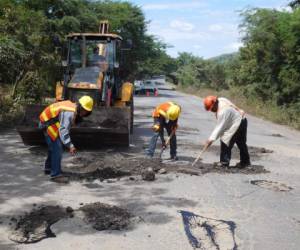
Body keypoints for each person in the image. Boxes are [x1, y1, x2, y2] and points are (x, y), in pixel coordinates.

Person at [39, 96, 94, 183]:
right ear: (79, 106)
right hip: (47, 124)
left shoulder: (73, 107)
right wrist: (70, 145)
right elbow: (63, 130)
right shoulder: (69, 112)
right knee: (57, 148)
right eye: (83, 110)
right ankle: (55, 175)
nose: (84, 113)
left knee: (53, 147)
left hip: (48, 121)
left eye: (86, 112)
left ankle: (49, 168)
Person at [202, 95, 251, 168]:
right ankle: (245, 162)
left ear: (215, 103)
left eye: (212, 109)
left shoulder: (222, 112)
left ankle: (224, 163)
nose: (212, 111)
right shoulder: (221, 99)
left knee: (225, 140)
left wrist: (210, 140)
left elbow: (219, 129)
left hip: (236, 123)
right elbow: (232, 105)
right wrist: (239, 110)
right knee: (241, 143)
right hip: (242, 120)